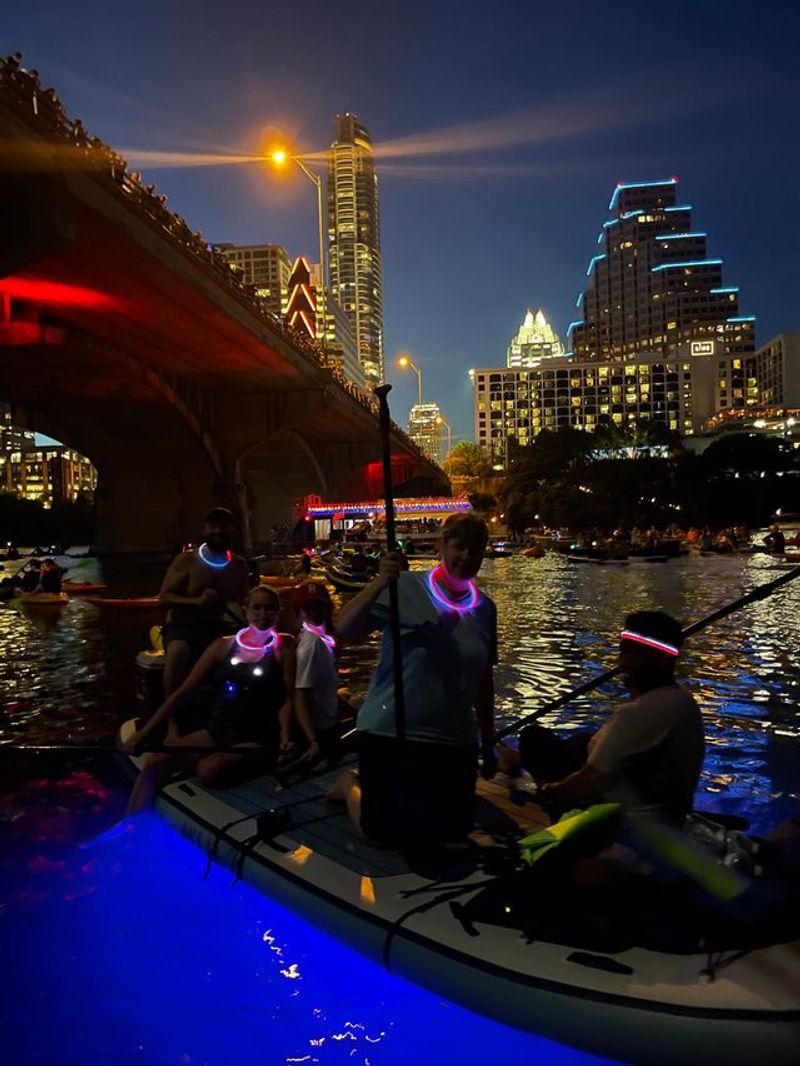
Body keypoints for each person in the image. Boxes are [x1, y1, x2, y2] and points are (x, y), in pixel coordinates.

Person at [329, 512, 498, 848]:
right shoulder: (405, 587)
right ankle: (350, 784)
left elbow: (483, 679)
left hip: (455, 738)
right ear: (442, 547)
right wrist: (379, 582)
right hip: (392, 730)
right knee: (383, 835)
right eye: (459, 547)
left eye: (475, 550)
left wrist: (489, 743)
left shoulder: (485, 610)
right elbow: (343, 629)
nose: (466, 557)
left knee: (453, 831)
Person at [501, 611, 705, 826]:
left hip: (626, 818)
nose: (623, 663)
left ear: (663, 661)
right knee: (579, 741)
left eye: (634, 656)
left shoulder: (637, 713)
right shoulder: (684, 701)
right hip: (664, 807)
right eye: (623, 653)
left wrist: (544, 791)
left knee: (533, 738)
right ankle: (517, 759)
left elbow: (584, 784)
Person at [124, 586, 294, 813]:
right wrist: (142, 735)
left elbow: (286, 698)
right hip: (216, 731)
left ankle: (252, 762)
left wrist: (285, 736)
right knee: (155, 762)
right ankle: (132, 823)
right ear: (246, 610)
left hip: (255, 737)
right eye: (257, 608)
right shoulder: (222, 646)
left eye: (270, 609)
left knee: (208, 770)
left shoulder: (282, 650)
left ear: (278, 613)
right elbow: (183, 691)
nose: (263, 614)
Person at [158, 507, 250, 695]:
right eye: (213, 526)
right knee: (178, 652)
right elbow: (164, 598)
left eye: (223, 526)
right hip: (182, 626)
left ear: (231, 530)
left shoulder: (239, 566)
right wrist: (196, 601)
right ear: (204, 530)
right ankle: (172, 718)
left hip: (218, 627)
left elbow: (244, 601)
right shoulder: (186, 561)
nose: (218, 531)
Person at [292, 584, 341, 765]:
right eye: (309, 607)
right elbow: (300, 694)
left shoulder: (321, 639)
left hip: (327, 721)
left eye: (319, 606)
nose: (315, 612)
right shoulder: (312, 645)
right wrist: (312, 741)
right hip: (322, 729)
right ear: (300, 611)